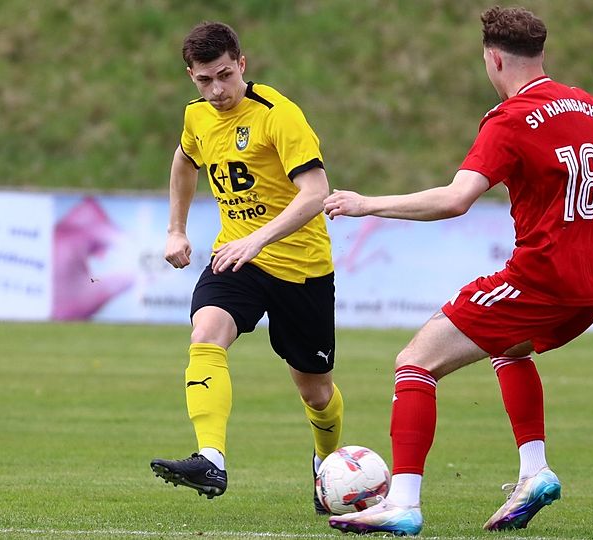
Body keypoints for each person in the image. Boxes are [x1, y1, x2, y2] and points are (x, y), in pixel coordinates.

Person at [322, 6, 593, 535]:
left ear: (495, 59)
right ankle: (534, 471)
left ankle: (403, 503)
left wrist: (367, 204)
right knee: (510, 347)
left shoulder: (508, 120)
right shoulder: (583, 104)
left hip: (541, 279)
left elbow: (456, 199)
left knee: (415, 362)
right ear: (540, 53)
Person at [150, 21, 344, 515]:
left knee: (316, 391)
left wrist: (258, 239)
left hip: (301, 266)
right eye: (204, 80)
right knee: (206, 333)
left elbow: (316, 192)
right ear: (191, 77)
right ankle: (210, 458)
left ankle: (327, 465)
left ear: (241, 64)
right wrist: (176, 229)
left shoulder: (278, 114)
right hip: (236, 257)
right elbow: (184, 160)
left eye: (224, 76)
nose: (216, 90)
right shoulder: (197, 116)